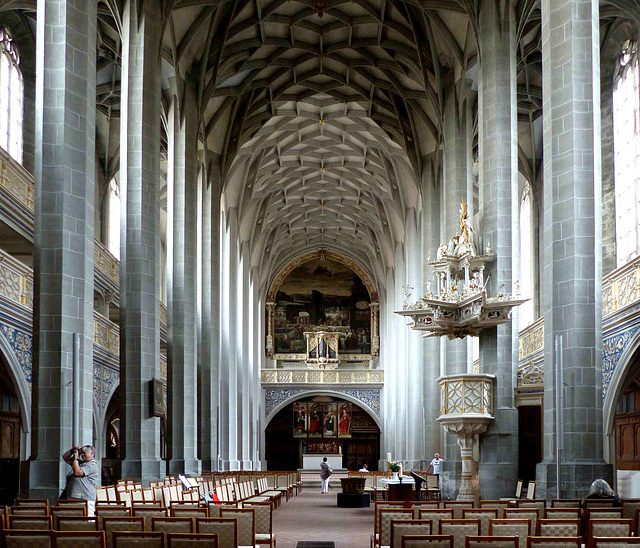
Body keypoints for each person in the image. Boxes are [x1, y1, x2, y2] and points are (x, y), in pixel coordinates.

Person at [62, 445, 99, 516]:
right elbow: (65, 457)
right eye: (81, 453)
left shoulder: (92, 465)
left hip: (85, 498)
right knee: (75, 520)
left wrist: (76, 458)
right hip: (73, 496)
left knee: (87, 521)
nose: (82, 455)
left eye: (84, 453)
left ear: (92, 454)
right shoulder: (81, 463)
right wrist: (72, 450)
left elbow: (77, 472)